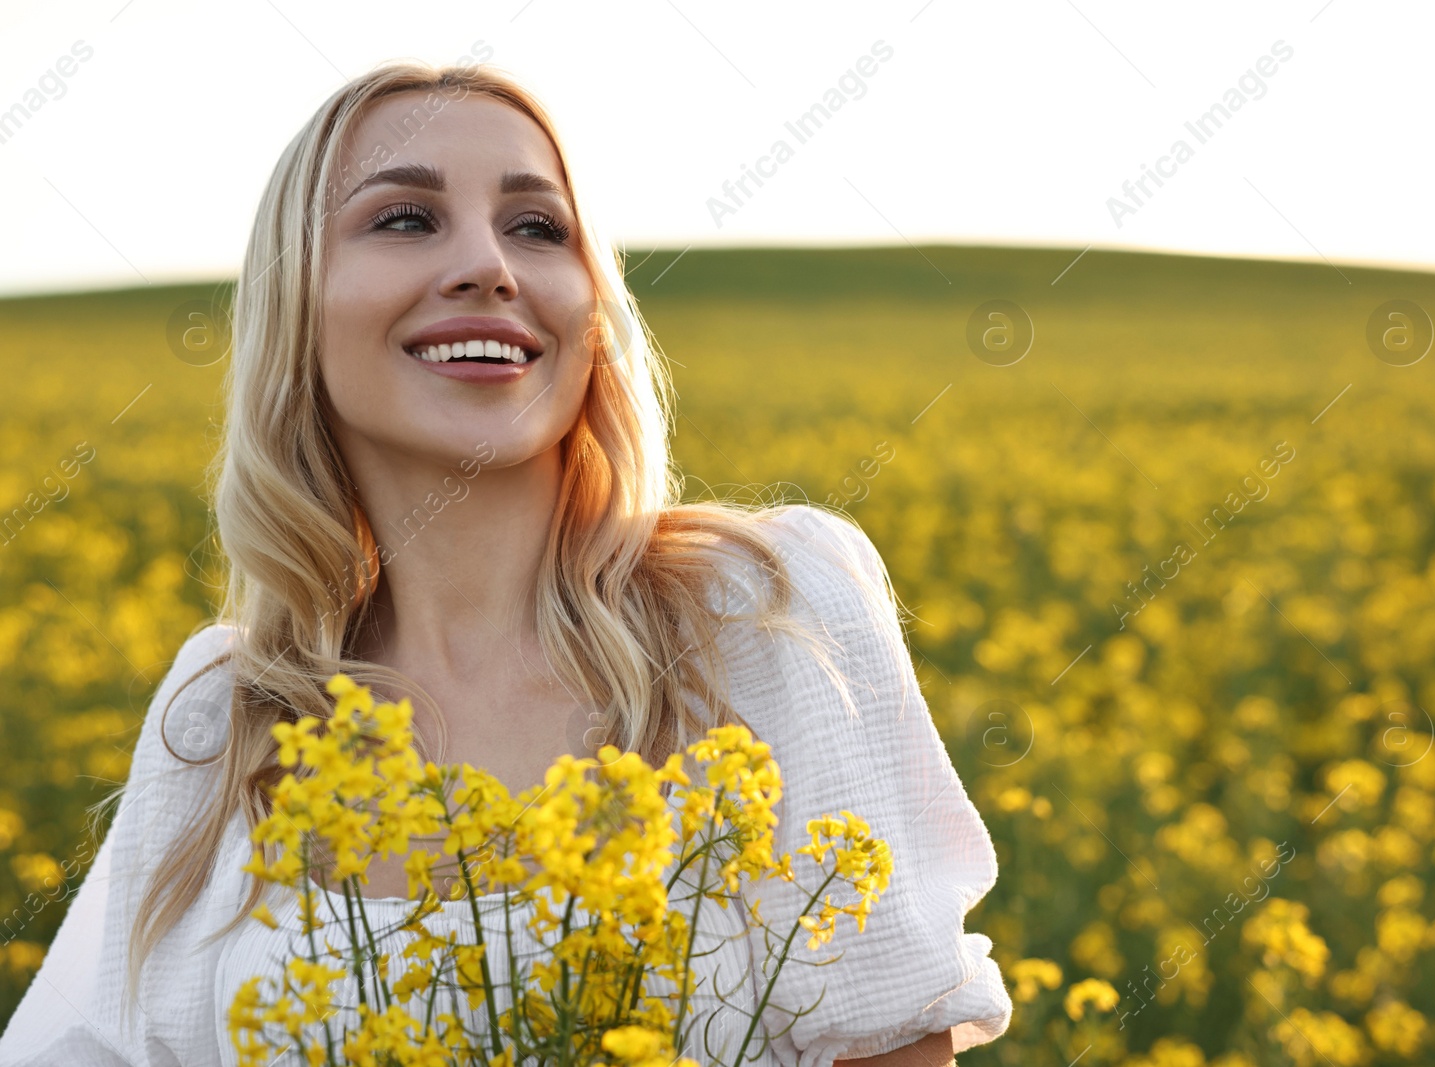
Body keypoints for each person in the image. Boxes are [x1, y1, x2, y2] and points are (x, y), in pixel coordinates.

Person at [0, 59, 1011, 1067]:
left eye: (537, 228)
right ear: (297, 307)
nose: (488, 264)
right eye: (404, 219)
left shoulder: (768, 609)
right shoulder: (224, 713)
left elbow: (894, 1040)